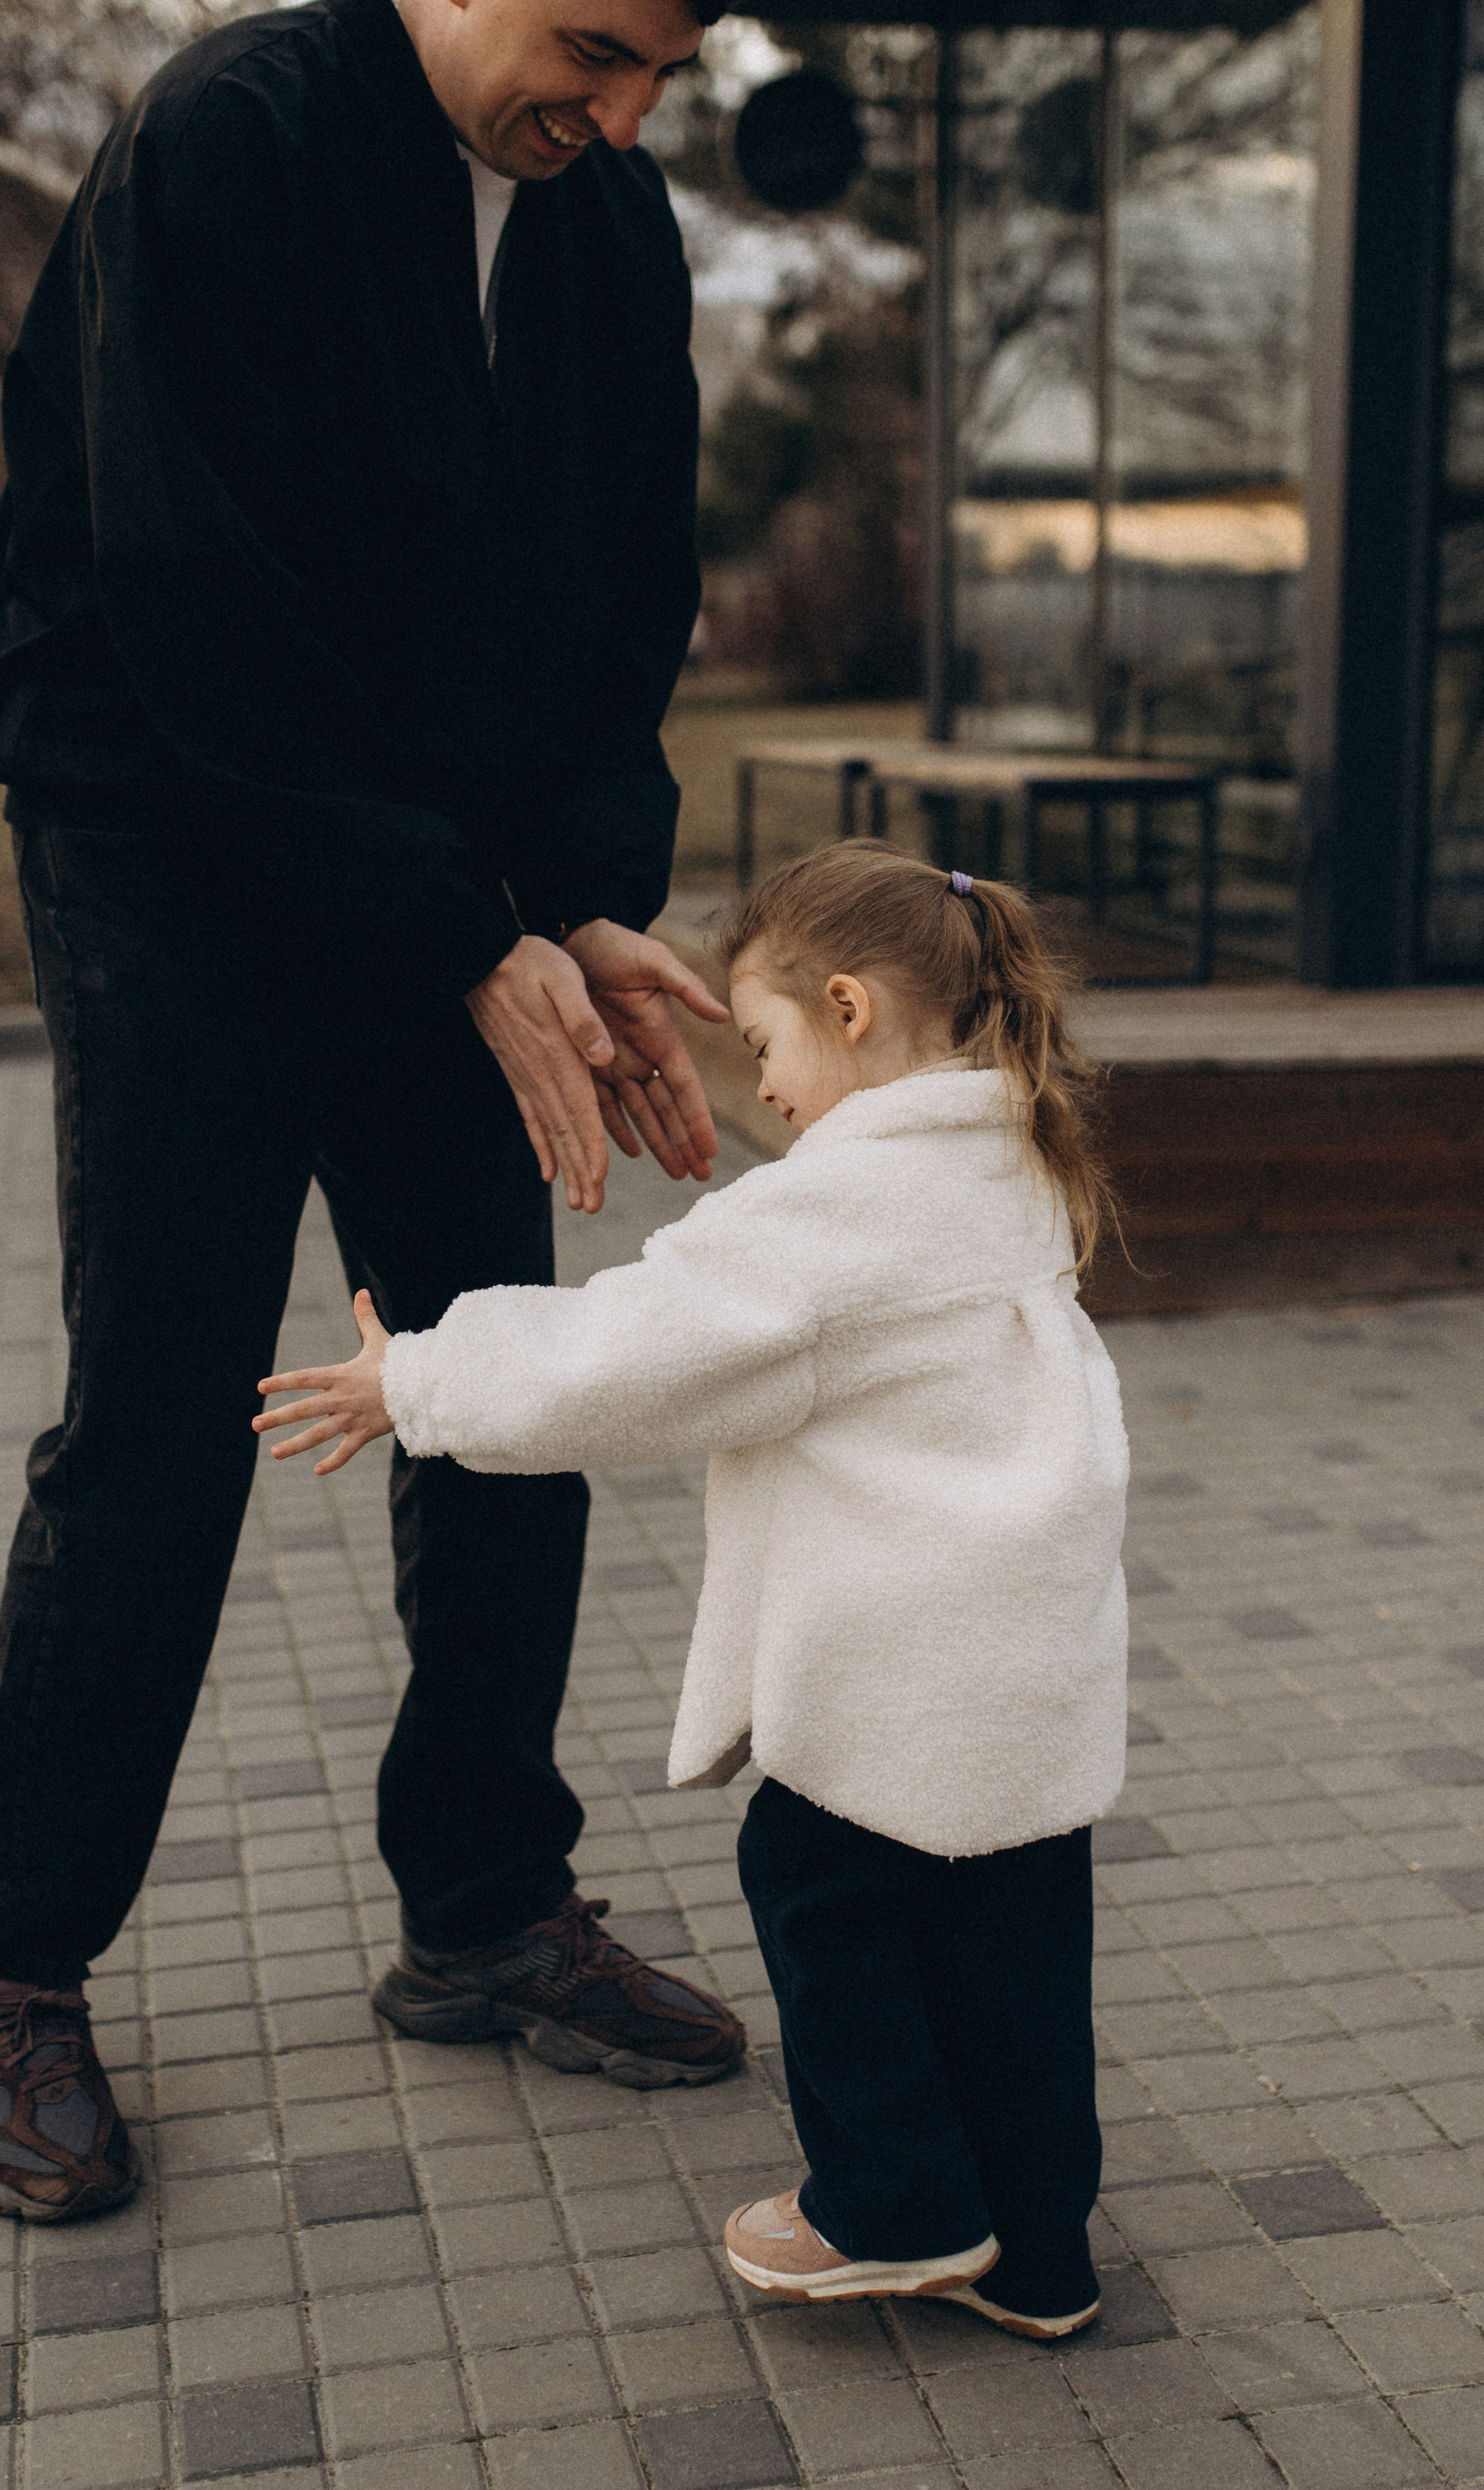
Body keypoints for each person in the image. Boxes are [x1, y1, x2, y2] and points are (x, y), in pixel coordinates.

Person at [0, 0, 761, 2223]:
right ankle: (15, 1960)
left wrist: (587, 894)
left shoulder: (609, 239)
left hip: (442, 871)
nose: (608, 115)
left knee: (496, 1380)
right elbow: (199, 612)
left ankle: (486, 1907)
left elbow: (622, 602)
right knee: (169, 1415)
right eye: (586, 53)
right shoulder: (238, 141)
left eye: (656, 82)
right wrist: (463, 928)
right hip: (164, 839)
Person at [259, 839, 1131, 2334]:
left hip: (891, 1682)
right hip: (1023, 1675)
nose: (766, 1086)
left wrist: (414, 1375)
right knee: (1012, 1954)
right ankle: (1037, 2254)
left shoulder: (831, 1218)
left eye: (773, 1040)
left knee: (819, 1894)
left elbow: (627, 1355)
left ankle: (893, 2205)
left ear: (848, 1008)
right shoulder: (1017, 1156)